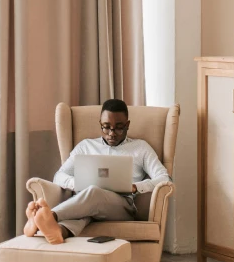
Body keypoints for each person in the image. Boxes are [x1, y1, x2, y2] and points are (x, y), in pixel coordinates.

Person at [24, 98, 171, 244]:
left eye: (119, 127)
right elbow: (59, 176)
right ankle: (58, 231)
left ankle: (49, 216)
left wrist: (135, 187)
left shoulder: (141, 148)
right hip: (85, 202)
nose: (112, 133)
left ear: (127, 125)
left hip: (121, 207)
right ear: (100, 124)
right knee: (86, 209)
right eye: (106, 127)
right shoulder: (85, 146)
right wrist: (78, 183)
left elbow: (165, 179)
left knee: (94, 193)